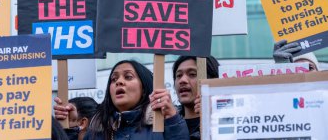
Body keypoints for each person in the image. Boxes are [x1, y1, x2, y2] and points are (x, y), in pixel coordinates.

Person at [55, 60, 188, 140]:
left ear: (144, 87)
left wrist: (172, 119)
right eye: (114, 79)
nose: (119, 82)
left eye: (128, 77)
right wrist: (69, 126)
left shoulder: (162, 124)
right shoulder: (96, 131)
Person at [172, 56, 219, 140]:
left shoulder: (226, 122)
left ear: (211, 80)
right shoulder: (165, 125)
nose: (182, 80)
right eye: (179, 75)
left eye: (192, 74)